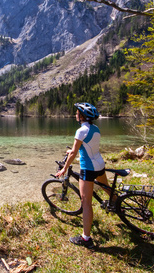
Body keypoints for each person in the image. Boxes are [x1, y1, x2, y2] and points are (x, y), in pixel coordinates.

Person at [54, 102, 111, 249]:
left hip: (88, 168)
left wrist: (64, 169)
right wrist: (73, 151)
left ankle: (86, 238)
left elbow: (74, 152)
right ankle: (118, 206)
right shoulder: (96, 128)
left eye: (77, 113)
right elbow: (87, 146)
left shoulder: (80, 131)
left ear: (81, 116)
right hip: (100, 164)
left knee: (86, 203)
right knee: (106, 188)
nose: (75, 115)